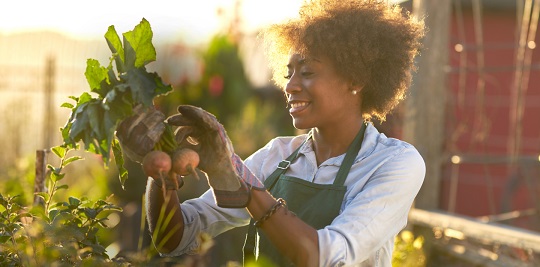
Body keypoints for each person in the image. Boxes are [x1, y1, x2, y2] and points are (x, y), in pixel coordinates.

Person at [118, 0, 426, 266]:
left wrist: (245, 185)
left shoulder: (394, 164)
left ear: (355, 79)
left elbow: (322, 256)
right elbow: (175, 238)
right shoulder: (277, 156)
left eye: (307, 73)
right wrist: (161, 171)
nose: (290, 86)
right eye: (288, 73)